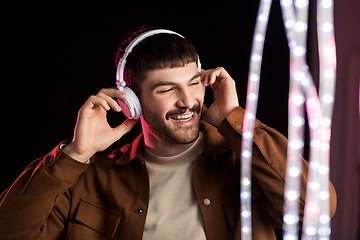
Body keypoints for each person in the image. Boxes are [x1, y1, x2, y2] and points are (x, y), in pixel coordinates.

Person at [0, 27, 336, 240]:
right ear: (130, 101)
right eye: (166, 90)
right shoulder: (90, 179)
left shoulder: (244, 162)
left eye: (193, 83)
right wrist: (75, 155)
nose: (188, 101)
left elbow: (317, 208)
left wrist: (235, 119)